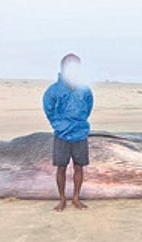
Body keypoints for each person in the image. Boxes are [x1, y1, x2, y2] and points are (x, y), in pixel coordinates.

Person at [43, 53, 94, 211]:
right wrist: (58, 125)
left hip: (80, 133)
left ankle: (76, 198)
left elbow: (88, 106)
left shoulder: (84, 89)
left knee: (79, 167)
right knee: (61, 167)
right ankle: (62, 199)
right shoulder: (54, 90)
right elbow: (48, 108)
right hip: (62, 135)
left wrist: (79, 122)